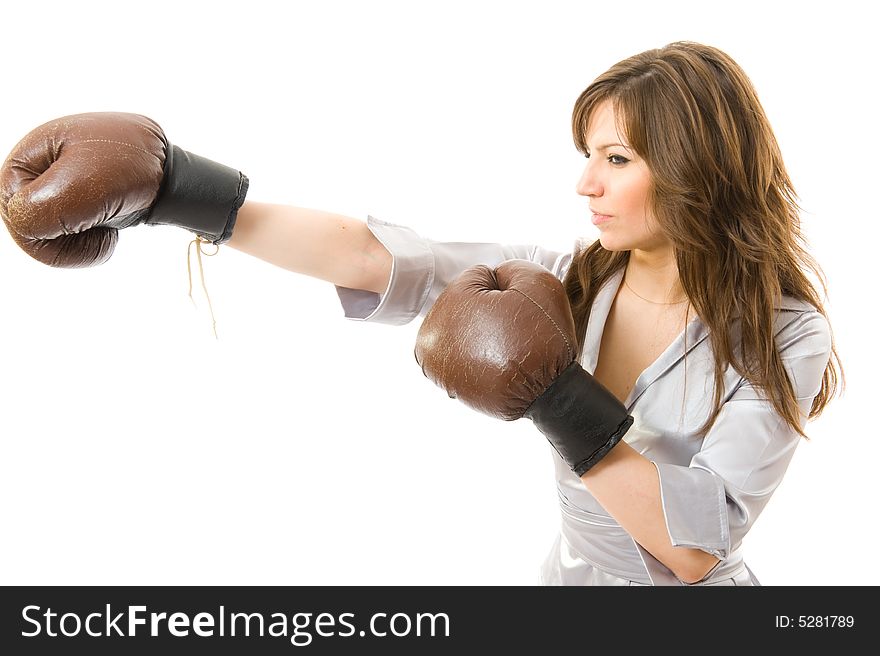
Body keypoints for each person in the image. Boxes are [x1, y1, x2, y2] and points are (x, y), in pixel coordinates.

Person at [0, 41, 842, 586]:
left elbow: (697, 549)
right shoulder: (566, 284)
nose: (585, 183)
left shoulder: (785, 333)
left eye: (616, 158)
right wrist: (176, 191)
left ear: (697, 166)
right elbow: (378, 258)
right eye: (587, 155)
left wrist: (554, 398)